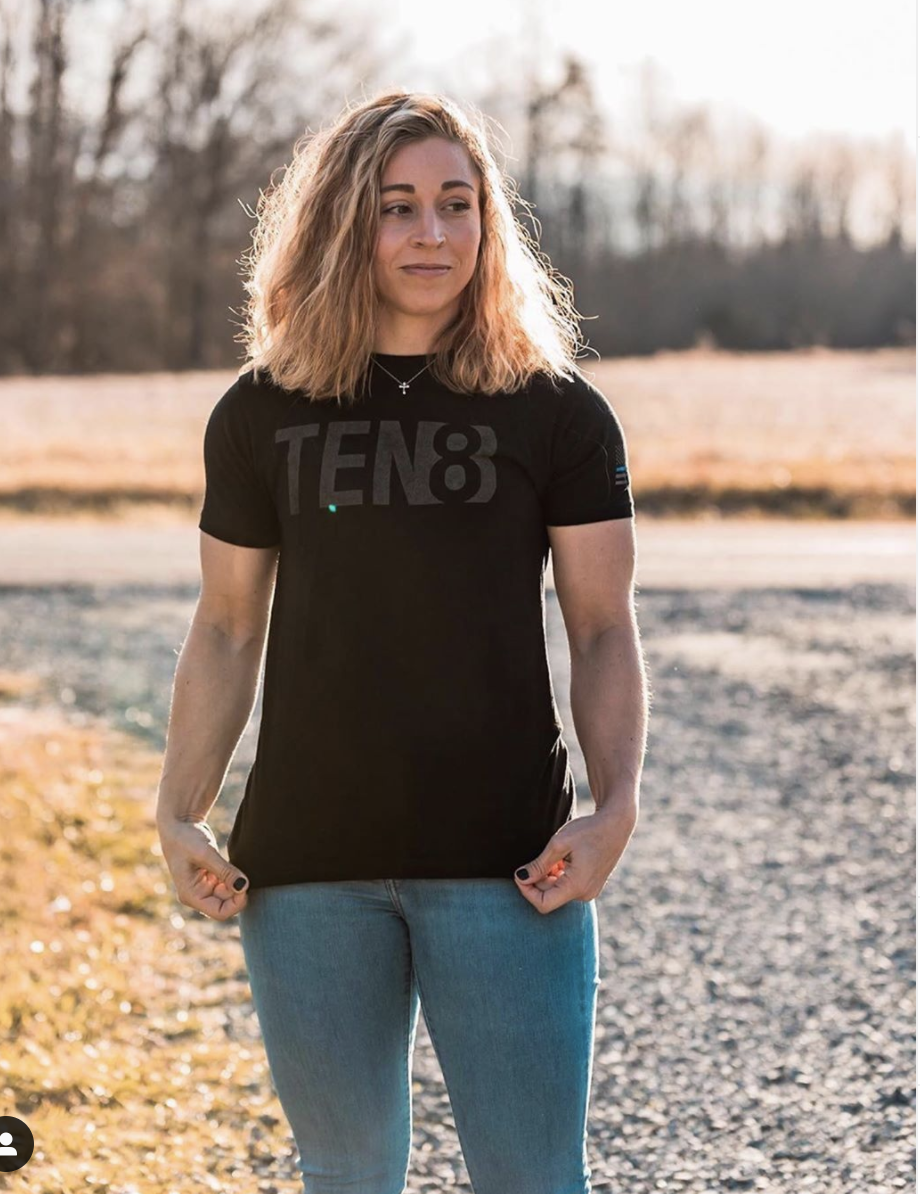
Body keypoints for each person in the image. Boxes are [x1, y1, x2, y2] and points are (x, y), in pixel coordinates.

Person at [156, 88, 648, 1194]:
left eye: (456, 204)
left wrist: (614, 804)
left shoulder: (556, 413)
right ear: (344, 223)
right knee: (345, 1174)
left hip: (510, 867)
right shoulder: (262, 412)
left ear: (488, 221)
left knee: (532, 1179)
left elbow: (601, 626)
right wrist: (179, 809)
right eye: (397, 207)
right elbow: (227, 627)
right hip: (306, 872)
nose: (432, 233)